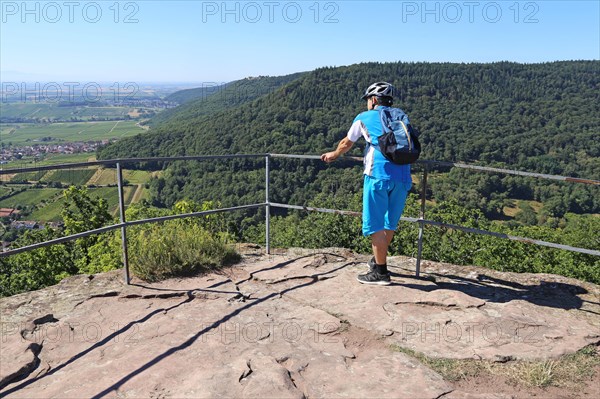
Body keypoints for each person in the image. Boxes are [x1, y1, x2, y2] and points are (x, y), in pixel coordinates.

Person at [321, 82, 412, 285]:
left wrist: (334, 155)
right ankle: (377, 261)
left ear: (372, 100)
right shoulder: (401, 115)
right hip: (404, 176)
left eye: (367, 101)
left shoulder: (364, 117)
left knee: (374, 225)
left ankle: (380, 273)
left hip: (378, 175)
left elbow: (347, 142)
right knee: (389, 223)